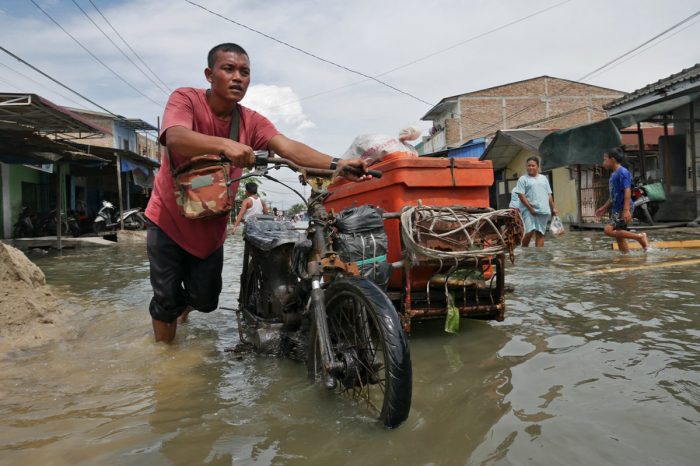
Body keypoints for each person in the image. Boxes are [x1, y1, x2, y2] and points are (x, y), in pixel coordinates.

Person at [144, 42, 368, 343]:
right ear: (210, 75)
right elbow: (175, 137)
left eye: (245, 72)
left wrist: (337, 164)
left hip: (210, 229)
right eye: (229, 69)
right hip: (167, 219)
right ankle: (165, 362)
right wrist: (224, 145)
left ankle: (184, 307)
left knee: (206, 300)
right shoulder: (186, 99)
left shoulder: (251, 121)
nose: (238, 77)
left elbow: (288, 147)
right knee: (165, 299)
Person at [594, 147, 649, 253]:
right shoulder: (613, 175)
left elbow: (627, 190)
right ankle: (625, 257)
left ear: (612, 159)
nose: (603, 162)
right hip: (617, 208)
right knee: (619, 235)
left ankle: (639, 237)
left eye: (605, 159)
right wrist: (604, 208)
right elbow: (613, 196)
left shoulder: (622, 172)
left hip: (623, 207)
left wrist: (626, 209)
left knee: (608, 230)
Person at [510, 156, 558, 247]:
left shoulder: (544, 178)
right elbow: (521, 195)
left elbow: (549, 195)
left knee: (540, 233)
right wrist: (530, 208)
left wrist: (553, 209)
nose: (530, 167)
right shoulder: (523, 179)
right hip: (528, 210)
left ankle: (538, 256)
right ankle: (525, 250)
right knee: (529, 231)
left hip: (543, 210)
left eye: (533, 165)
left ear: (537, 166)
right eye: (529, 165)